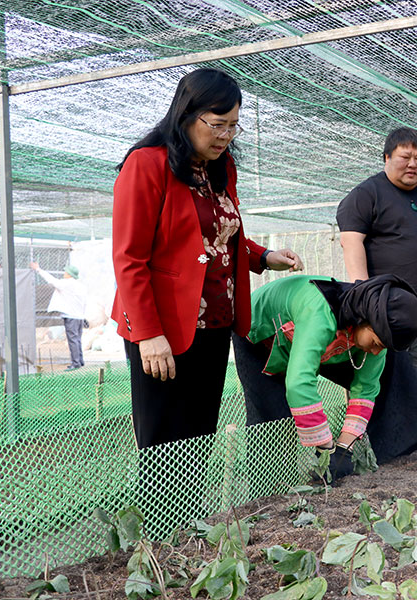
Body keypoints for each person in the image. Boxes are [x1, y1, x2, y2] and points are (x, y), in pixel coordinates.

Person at [111, 68, 303, 451]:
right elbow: (129, 258)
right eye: (218, 125)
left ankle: (193, 514)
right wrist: (149, 335)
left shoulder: (221, 168)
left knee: (199, 437)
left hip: (215, 322)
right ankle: (162, 515)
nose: (226, 136)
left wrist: (264, 256)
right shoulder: (148, 164)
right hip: (164, 327)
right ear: (187, 114)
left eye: (234, 126)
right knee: (163, 441)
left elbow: (219, 235)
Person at [233, 274, 417, 480]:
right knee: (271, 417)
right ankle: (265, 487)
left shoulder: (373, 329)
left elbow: (366, 390)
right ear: (365, 320)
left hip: (330, 341)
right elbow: (299, 384)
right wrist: (326, 448)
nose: (376, 349)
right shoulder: (319, 315)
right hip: (261, 336)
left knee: (390, 362)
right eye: (376, 341)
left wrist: (344, 447)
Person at [336, 127, 417, 384]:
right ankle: (373, 425)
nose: (412, 164)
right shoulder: (367, 194)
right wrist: (363, 293)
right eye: (405, 157)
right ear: (386, 158)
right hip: (383, 312)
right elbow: (351, 242)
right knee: (377, 380)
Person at [30, 261, 87, 370]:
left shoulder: (67, 284)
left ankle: (75, 363)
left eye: (66, 271)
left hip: (71, 316)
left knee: (73, 340)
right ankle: (80, 361)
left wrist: (38, 269)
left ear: (69, 274)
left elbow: (52, 281)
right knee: (77, 339)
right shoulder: (80, 286)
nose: (64, 273)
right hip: (79, 316)